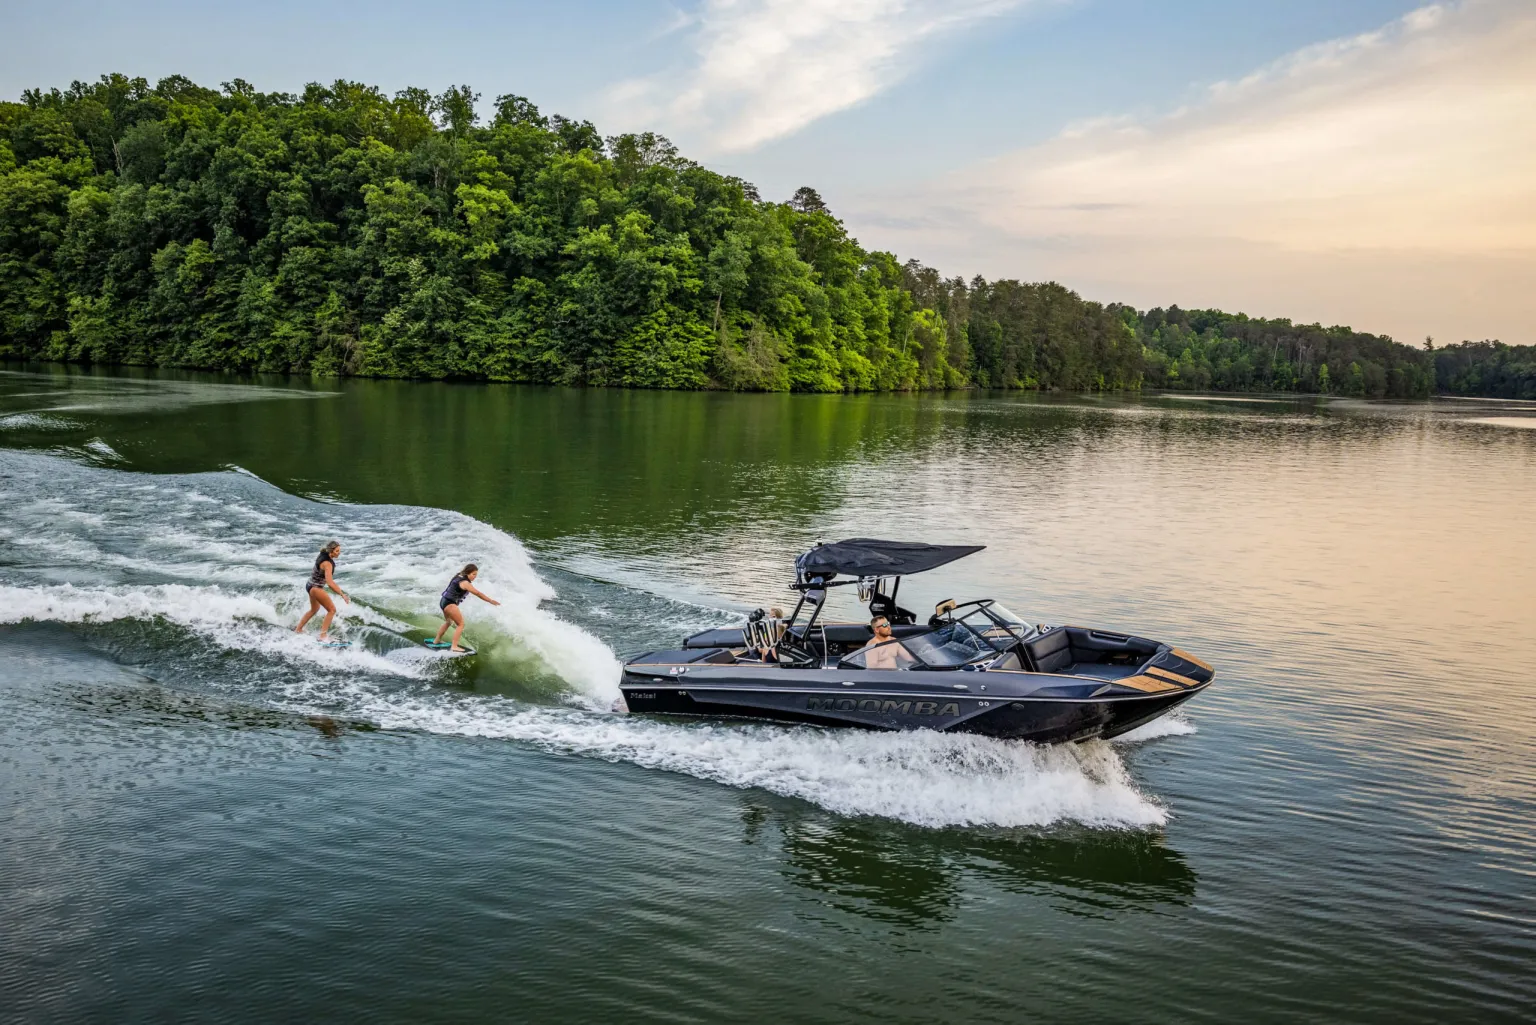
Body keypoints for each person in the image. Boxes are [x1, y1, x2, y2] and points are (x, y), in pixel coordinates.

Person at [433, 563, 500, 652]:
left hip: (444, 601)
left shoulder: (459, 576)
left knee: (448, 622)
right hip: (450, 604)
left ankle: (436, 640)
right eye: (473, 574)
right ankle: (454, 646)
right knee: (461, 624)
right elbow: (478, 593)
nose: (475, 577)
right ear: (468, 573)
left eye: (476, 574)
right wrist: (490, 601)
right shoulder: (465, 583)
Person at [295, 540, 349, 642]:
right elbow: (330, 583)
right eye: (337, 551)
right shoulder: (327, 563)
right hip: (315, 588)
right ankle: (323, 636)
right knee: (332, 610)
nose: (339, 553)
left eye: (339, 551)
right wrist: (342, 594)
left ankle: (298, 629)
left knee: (314, 609)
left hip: (309, 585)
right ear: (331, 551)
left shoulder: (323, 554)